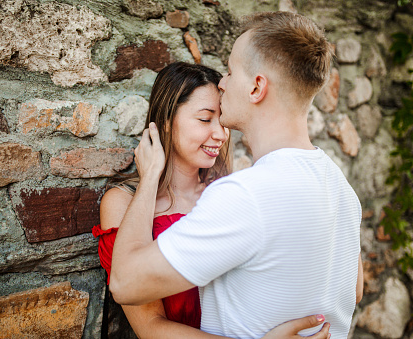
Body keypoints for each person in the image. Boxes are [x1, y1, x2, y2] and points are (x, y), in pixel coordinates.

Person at [93, 61, 332, 339]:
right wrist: (149, 179)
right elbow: (149, 327)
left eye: (223, 120)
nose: (220, 134)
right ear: (167, 121)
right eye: (205, 119)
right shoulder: (122, 202)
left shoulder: (229, 193)